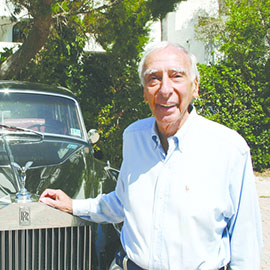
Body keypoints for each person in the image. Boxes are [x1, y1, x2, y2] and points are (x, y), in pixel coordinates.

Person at [40, 41, 263, 270]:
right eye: (153, 78)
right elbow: (122, 203)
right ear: (145, 92)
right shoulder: (134, 137)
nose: (165, 90)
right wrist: (73, 205)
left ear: (195, 86)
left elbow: (245, 245)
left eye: (176, 76)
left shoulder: (229, 149)